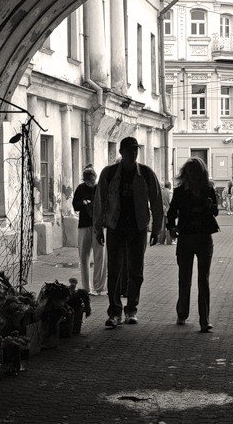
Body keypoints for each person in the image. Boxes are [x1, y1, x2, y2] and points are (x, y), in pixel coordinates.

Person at [93, 137, 163, 328]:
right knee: (114, 270)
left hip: (138, 228)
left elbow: (156, 201)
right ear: (121, 152)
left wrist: (156, 229)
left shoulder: (146, 174)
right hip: (115, 227)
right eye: (130, 150)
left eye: (135, 149)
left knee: (136, 271)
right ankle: (115, 312)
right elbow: (99, 202)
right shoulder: (109, 173)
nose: (133, 153)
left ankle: (131, 310)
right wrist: (98, 229)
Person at [167, 157, 219, 333]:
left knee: (203, 279)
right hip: (186, 237)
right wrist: (171, 227)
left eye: (196, 171)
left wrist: (210, 205)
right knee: (185, 277)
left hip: (204, 237)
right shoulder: (180, 191)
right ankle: (182, 313)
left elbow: (215, 212)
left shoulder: (208, 190)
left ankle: (205, 319)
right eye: (190, 171)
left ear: (201, 173)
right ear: (186, 173)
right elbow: (171, 212)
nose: (193, 175)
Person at [72, 165, 105, 295]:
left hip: (98, 226)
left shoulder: (99, 188)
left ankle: (99, 288)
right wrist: (83, 203)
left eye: (93, 180)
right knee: (83, 257)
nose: (91, 183)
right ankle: (86, 288)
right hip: (84, 225)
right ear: (85, 179)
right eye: (89, 181)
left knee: (100, 256)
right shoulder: (80, 188)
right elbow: (75, 205)